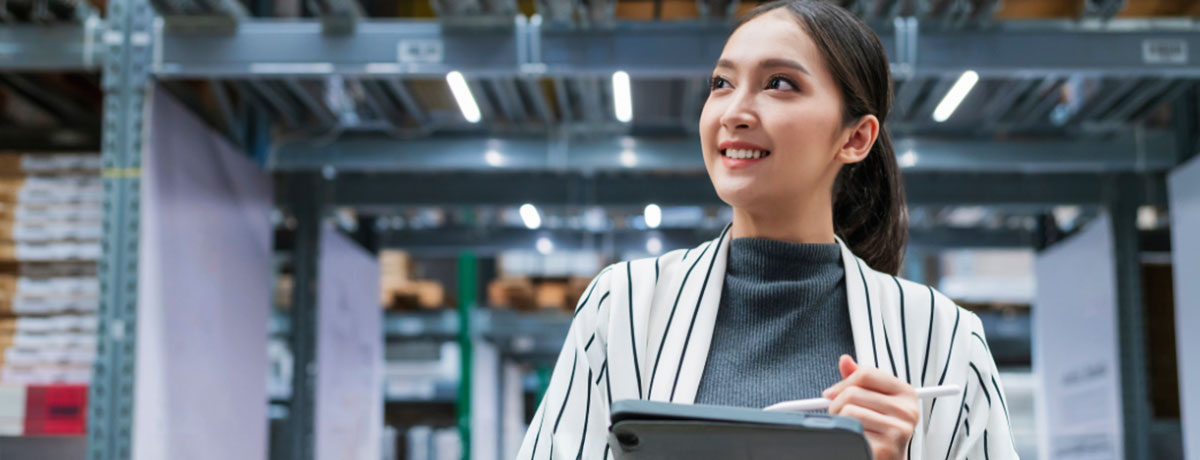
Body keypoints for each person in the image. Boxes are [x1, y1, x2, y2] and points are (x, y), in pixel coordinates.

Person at [516, 1, 1018, 459]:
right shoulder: (623, 307)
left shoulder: (943, 339)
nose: (733, 113)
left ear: (856, 137)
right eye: (721, 84)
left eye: (779, 83)